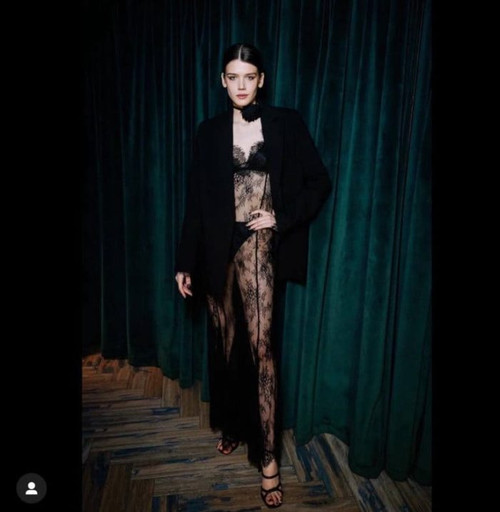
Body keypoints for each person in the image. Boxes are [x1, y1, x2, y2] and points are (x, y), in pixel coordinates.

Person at [175, 42, 331, 508]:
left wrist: (280, 216)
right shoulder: (208, 132)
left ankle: (268, 459)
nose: (241, 85)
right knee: (225, 344)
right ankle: (232, 424)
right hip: (214, 248)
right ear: (223, 81)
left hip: (258, 244)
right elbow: (195, 202)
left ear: (261, 79)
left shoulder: (285, 122)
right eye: (233, 77)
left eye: (249, 76)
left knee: (262, 350)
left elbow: (319, 182)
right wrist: (184, 261)